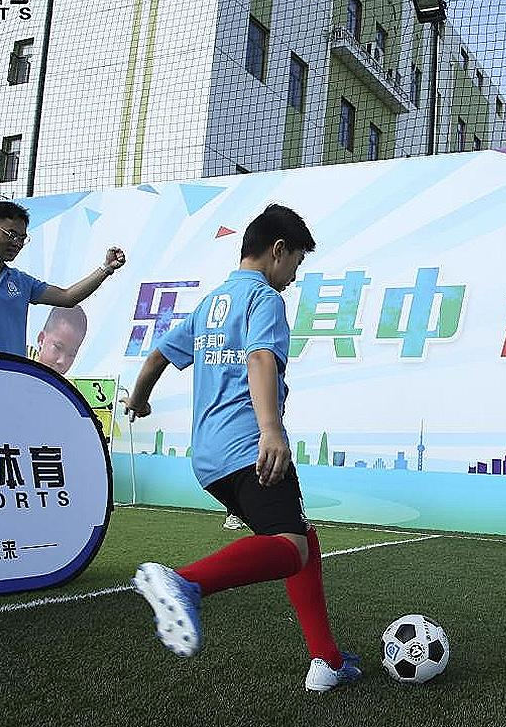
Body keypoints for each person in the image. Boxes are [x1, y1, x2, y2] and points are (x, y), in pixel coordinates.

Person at [123, 204, 360, 692]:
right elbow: (259, 358)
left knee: (300, 538)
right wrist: (271, 430)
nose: (294, 276)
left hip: (208, 460)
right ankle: (185, 582)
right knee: (291, 547)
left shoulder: (212, 302)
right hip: (249, 448)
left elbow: (158, 356)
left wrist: (140, 400)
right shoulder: (263, 299)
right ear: (278, 251)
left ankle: (327, 660)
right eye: (296, 262)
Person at [0, 201, 124, 357]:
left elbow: (67, 297)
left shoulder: (20, 280)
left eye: (22, 238)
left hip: (14, 376)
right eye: (11, 234)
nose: (17, 243)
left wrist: (106, 269)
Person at [34, 304, 87, 374]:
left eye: (71, 355)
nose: (62, 361)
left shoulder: (63, 381)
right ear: (41, 340)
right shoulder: (21, 364)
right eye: (58, 347)